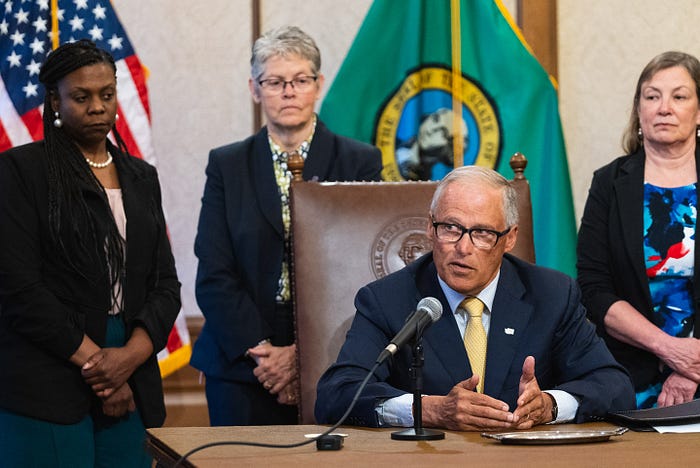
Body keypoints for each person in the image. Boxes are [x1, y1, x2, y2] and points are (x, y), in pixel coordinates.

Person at [315, 165, 634, 431]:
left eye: (481, 233)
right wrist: (429, 410)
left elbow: (615, 386)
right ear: (430, 228)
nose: (462, 248)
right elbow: (336, 395)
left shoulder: (551, 295)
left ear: (509, 238)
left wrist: (549, 406)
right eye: (451, 228)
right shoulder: (387, 300)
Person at [190, 25, 382, 426]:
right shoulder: (227, 165)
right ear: (255, 89)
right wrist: (263, 352)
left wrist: (302, 352)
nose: (289, 91)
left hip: (331, 347)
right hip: (243, 354)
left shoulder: (359, 161)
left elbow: (362, 268)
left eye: (300, 80)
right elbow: (214, 270)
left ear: (319, 85)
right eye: (275, 82)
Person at [0, 40, 181, 466]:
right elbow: (19, 289)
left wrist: (128, 360)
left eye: (107, 94)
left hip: (130, 358)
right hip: (49, 366)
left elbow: (164, 284)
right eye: (81, 97)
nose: (98, 107)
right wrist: (101, 368)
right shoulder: (21, 171)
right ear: (55, 101)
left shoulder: (141, 176)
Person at [577, 51, 700, 409]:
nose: (664, 108)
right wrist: (671, 350)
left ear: (697, 110)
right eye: (652, 96)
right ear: (639, 110)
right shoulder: (609, 183)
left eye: (679, 96)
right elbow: (594, 289)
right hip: (628, 370)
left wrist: (691, 367)